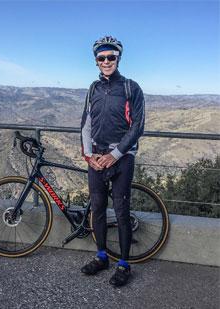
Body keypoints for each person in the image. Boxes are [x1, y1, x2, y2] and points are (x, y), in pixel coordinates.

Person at [80, 36, 145, 287]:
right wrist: (89, 156)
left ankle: (124, 264)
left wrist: (114, 155)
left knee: (121, 212)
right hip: (96, 157)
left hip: (122, 158)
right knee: (97, 209)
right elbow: (86, 125)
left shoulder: (131, 88)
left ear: (118, 58)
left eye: (111, 57)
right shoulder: (93, 89)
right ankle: (101, 256)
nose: (106, 61)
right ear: (96, 61)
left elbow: (138, 126)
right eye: (101, 57)